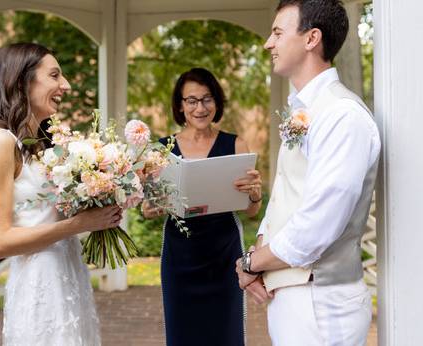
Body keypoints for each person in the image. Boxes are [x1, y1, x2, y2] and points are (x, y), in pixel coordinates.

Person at [235, 1, 381, 345]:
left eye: (277, 32)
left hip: (323, 302)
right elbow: (286, 192)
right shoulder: (306, 110)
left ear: (311, 38)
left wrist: (251, 261)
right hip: (294, 297)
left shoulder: (342, 116)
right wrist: (258, 259)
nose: (268, 43)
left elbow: (318, 224)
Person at [0, 43, 123, 345]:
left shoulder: (42, 143)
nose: (64, 85)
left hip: (68, 272)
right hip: (39, 282)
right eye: (54, 76)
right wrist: (79, 225)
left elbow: (50, 211)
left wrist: (99, 191)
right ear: (22, 81)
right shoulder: (1, 142)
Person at [143, 67, 263, 346]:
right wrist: (149, 208)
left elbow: (251, 211)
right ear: (180, 106)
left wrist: (255, 195)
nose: (200, 107)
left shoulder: (236, 144)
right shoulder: (160, 150)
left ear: (217, 102)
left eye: (207, 99)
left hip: (224, 255)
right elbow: (147, 208)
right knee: (182, 333)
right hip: (179, 256)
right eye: (192, 100)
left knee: (226, 332)